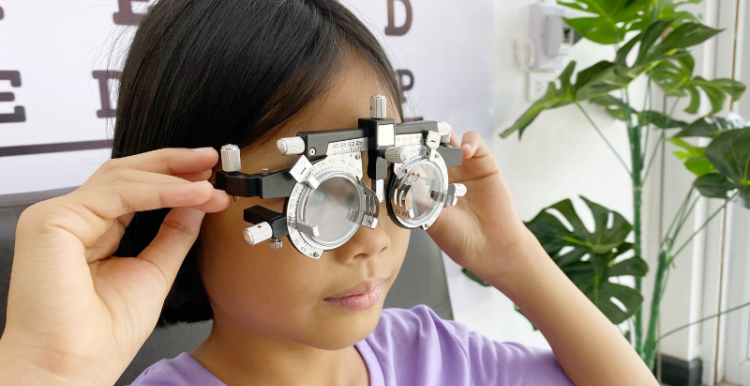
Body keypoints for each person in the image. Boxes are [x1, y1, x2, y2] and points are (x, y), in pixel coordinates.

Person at [0, 0, 658, 385]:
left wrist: (514, 258)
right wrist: (49, 371)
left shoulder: (436, 356)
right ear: (185, 205)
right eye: (325, 196)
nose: (374, 240)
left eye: (390, 176)